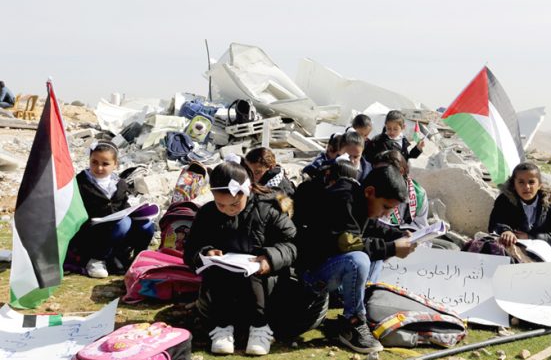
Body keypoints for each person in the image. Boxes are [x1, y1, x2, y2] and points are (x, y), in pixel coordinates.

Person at [295, 165, 417, 354]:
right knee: (359, 259)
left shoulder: (360, 200)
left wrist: (398, 234)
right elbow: (348, 243)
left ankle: (362, 309)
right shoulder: (343, 199)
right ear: (370, 192)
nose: (386, 213)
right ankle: (353, 323)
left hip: (333, 269)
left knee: (374, 256)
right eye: (385, 207)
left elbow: (372, 227)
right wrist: (392, 248)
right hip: (313, 275)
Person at [183, 160, 297, 355]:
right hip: (221, 286)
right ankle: (222, 328)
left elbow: (292, 244)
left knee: (250, 273)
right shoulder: (207, 214)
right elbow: (191, 248)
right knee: (219, 271)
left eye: (235, 203)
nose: (228, 209)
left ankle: (260, 328)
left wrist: (269, 258)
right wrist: (206, 253)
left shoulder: (268, 209)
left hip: (264, 280)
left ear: (247, 190)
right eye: (221, 204)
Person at [70, 141, 155, 278]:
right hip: (93, 233)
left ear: (115, 164)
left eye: (105, 164)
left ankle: (138, 259)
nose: (99, 168)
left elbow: (123, 205)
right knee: (124, 223)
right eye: (94, 162)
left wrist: (139, 213)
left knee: (147, 225)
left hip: (117, 232)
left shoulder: (119, 184)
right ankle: (97, 259)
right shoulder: (81, 182)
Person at [488, 162, 551, 251]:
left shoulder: (550, 202)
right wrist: (505, 231)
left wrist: (530, 237)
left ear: (539, 185)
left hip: (544, 251)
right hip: (514, 248)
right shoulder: (505, 200)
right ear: (514, 185)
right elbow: (495, 223)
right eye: (521, 182)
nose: (526, 187)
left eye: (531, 182)